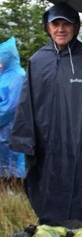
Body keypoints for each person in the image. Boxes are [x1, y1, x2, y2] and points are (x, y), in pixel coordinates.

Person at [9, 2, 82, 235]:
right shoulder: (38, 61)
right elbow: (26, 102)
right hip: (47, 147)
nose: (60, 29)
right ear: (48, 27)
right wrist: (25, 141)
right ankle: (51, 231)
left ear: (76, 28)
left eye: (66, 24)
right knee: (48, 194)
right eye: (55, 24)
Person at [0, 37, 25, 181]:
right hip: (3, 126)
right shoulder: (4, 74)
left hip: (11, 126)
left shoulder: (18, 76)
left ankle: (13, 189)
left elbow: (12, 106)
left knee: (11, 160)